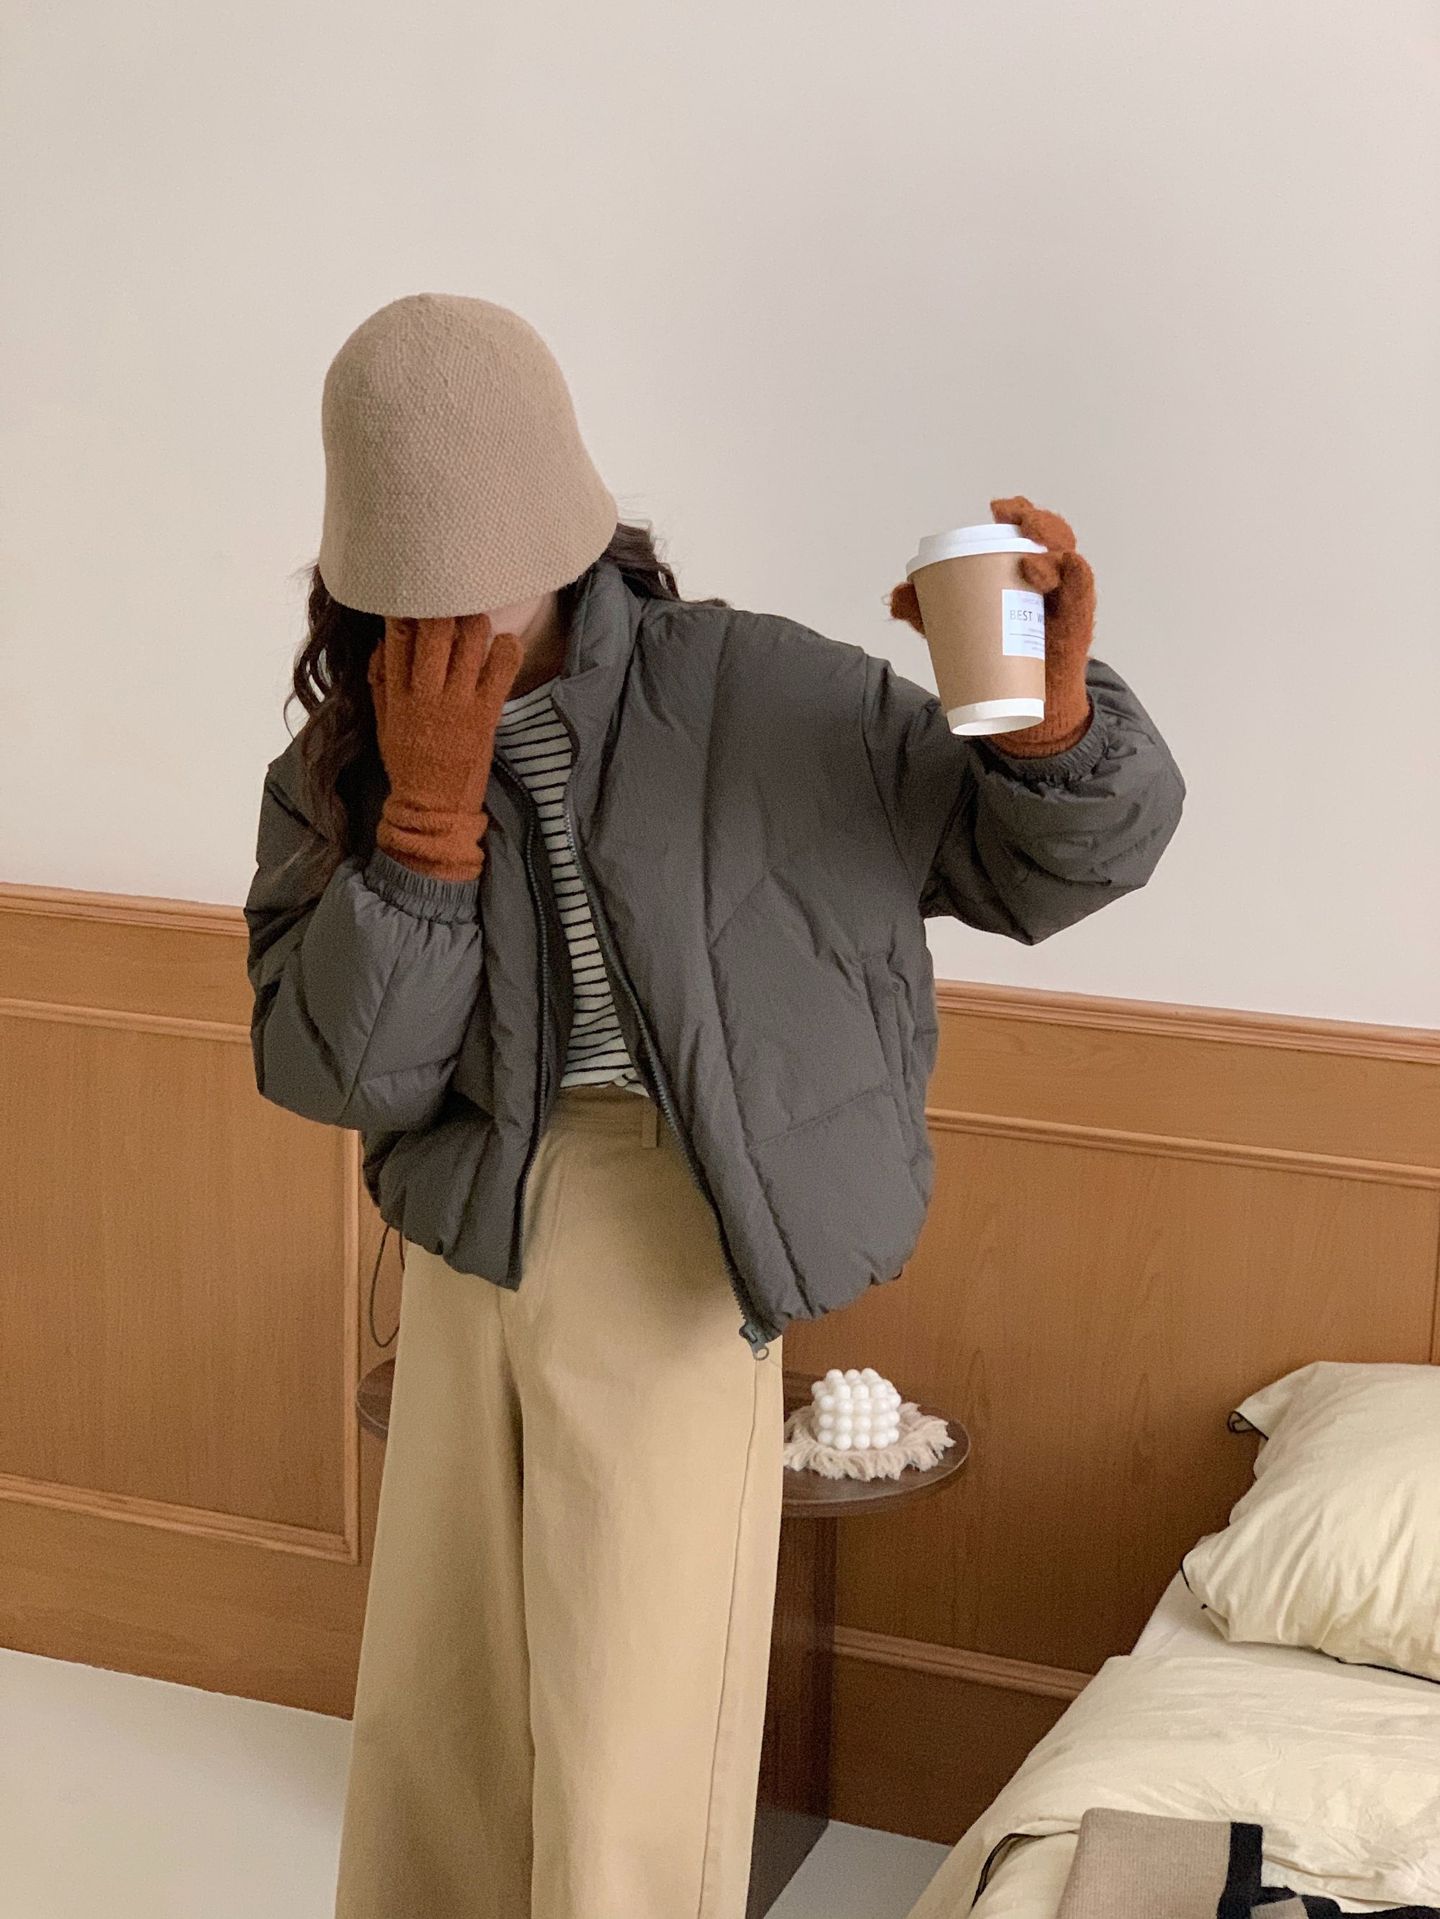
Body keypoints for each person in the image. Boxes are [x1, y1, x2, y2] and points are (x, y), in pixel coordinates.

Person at [242, 292, 1184, 1919]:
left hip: (682, 1221)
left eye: (491, 559)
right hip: (469, 1220)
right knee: (440, 1705)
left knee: (637, 1709)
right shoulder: (348, 758)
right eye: (413, 575)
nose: (456, 606)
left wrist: (1054, 733)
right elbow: (338, 1073)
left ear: (568, 523)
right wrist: (426, 834)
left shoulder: (765, 690)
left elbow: (1039, 872)